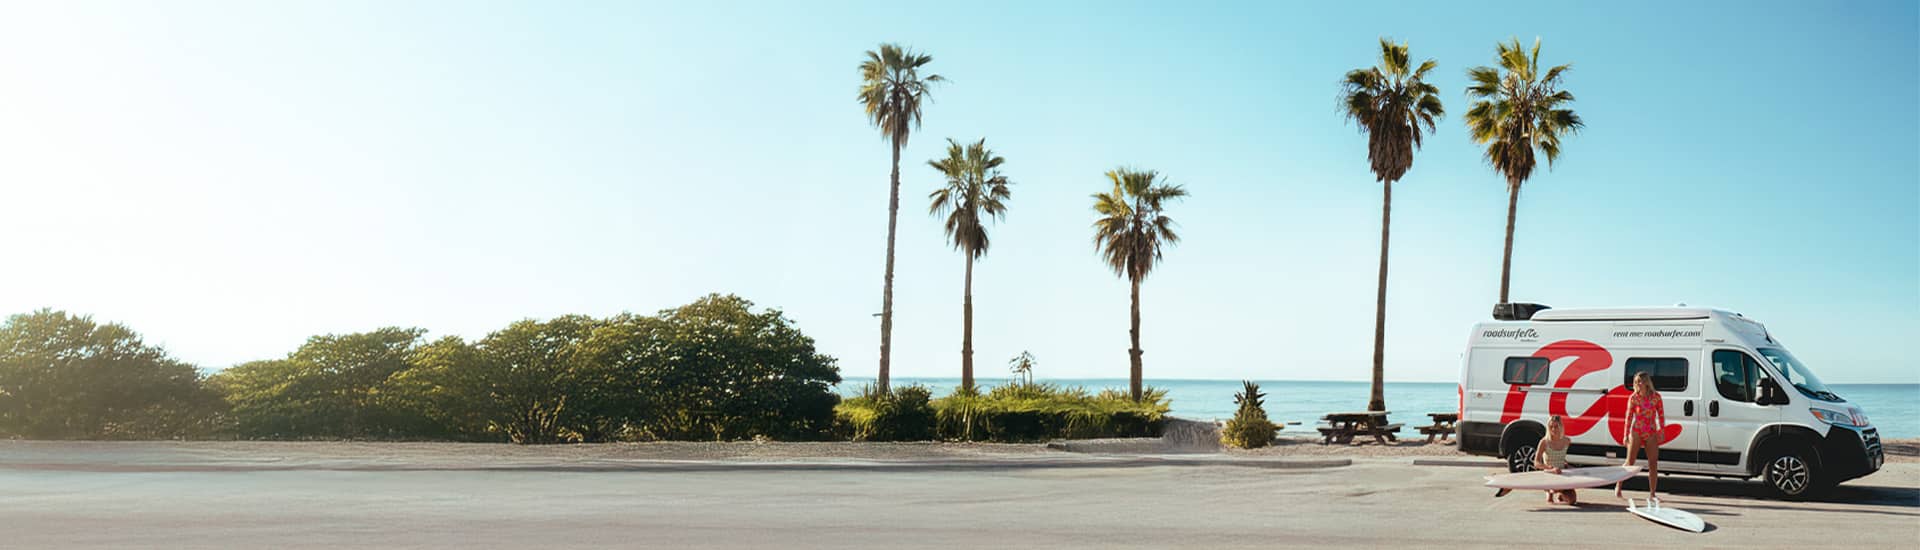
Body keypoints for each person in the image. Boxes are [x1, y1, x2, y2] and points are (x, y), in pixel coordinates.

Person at [1615, 372, 1664, 502]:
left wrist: (1661, 430)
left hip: (1651, 431)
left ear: (1647, 383)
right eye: (1636, 382)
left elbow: (1661, 415)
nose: (1637, 384)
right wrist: (1625, 435)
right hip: (1637, 430)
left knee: (1653, 463)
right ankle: (1618, 486)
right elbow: (1629, 417)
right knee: (1630, 461)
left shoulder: (1656, 397)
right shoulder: (1634, 398)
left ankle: (1653, 494)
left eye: (1640, 382)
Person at [1533, 415, 1577, 505]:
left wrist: (1566, 465)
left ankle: (1560, 494)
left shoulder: (1567, 441)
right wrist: (1550, 468)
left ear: (1561, 427)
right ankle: (1549, 492)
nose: (1553, 429)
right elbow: (1536, 463)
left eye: (1556, 426)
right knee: (1550, 499)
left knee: (1572, 500)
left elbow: (1561, 457)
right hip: (1550, 473)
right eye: (1551, 427)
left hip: (1562, 473)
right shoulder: (1544, 442)